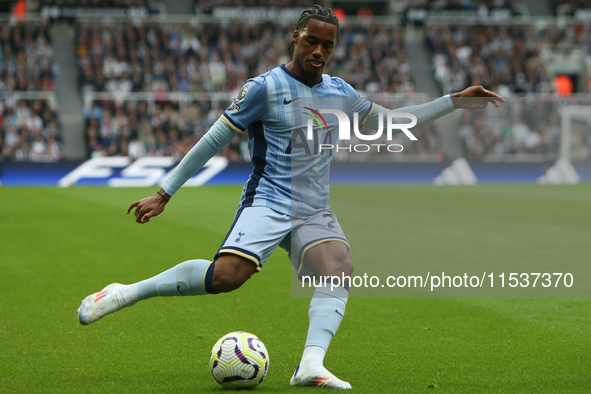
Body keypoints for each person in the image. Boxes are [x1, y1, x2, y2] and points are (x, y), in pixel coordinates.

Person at [77, 5, 504, 389]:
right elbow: (212, 140)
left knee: (338, 268)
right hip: (268, 199)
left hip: (314, 209)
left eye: (328, 45)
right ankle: (128, 291)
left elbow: (391, 121)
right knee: (225, 278)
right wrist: (164, 192)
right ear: (295, 39)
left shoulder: (340, 91)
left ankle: (310, 365)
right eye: (312, 41)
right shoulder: (263, 88)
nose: (319, 51)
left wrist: (453, 101)